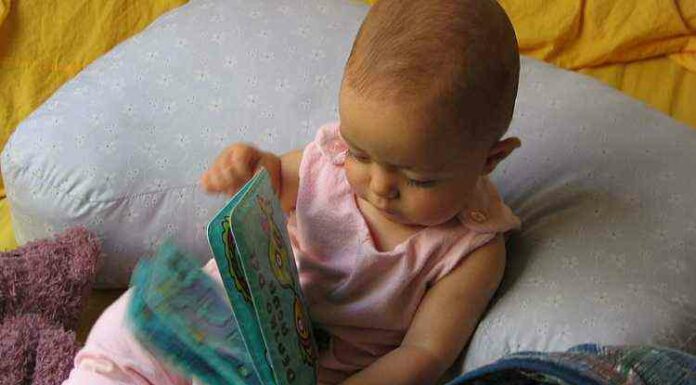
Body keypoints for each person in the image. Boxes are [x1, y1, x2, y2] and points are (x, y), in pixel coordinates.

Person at [64, 0, 522, 384]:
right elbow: (274, 185)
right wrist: (250, 165)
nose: (379, 186)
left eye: (417, 179)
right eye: (361, 153)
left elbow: (425, 353)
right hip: (220, 319)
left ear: (488, 159)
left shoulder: (469, 251)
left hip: (307, 377)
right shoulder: (330, 159)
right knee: (126, 331)